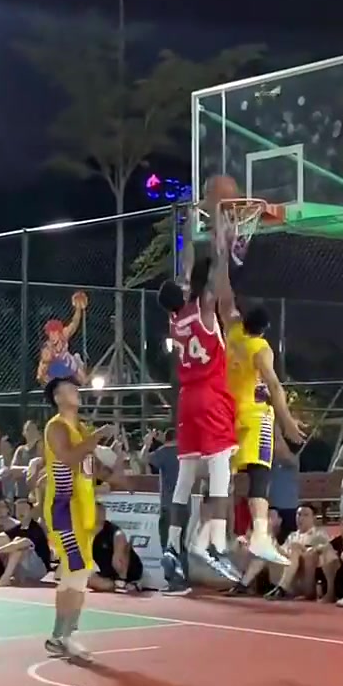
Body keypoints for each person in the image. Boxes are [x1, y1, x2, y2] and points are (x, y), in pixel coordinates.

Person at [157, 241, 241, 589]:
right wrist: (222, 249)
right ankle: (217, 544)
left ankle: (172, 544)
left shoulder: (174, 320)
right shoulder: (204, 311)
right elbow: (211, 285)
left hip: (186, 400)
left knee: (186, 477)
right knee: (220, 472)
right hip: (210, 395)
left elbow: (188, 272)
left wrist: (190, 232)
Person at [216, 243, 305, 563]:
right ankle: (260, 535)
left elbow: (224, 298)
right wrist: (287, 421)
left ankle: (219, 534)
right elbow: (275, 385)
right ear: (265, 329)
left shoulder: (232, 331)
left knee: (224, 477)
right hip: (254, 416)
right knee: (259, 475)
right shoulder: (260, 348)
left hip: (228, 413)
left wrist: (222, 258)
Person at [43, 376, 113, 661]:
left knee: (79, 573)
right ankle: (65, 635)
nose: (76, 392)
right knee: (77, 570)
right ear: (58, 397)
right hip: (63, 507)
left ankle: (61, 636)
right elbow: (69, 458)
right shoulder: (57, 427)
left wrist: (110, 475)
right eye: (69, 389)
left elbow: (86, 467)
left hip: (81, 508)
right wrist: (97, 438)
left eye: (76, 388)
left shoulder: (81, 428)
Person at [90, 502, 143, 593]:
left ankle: (126, 583)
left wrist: (122, 578)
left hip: (127, 572)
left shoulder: (115, 533)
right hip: (107, 574)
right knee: (88, 580)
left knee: (118, 558)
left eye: (100, 513)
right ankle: (116, 585)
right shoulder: (86, 532)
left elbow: (121, 560)